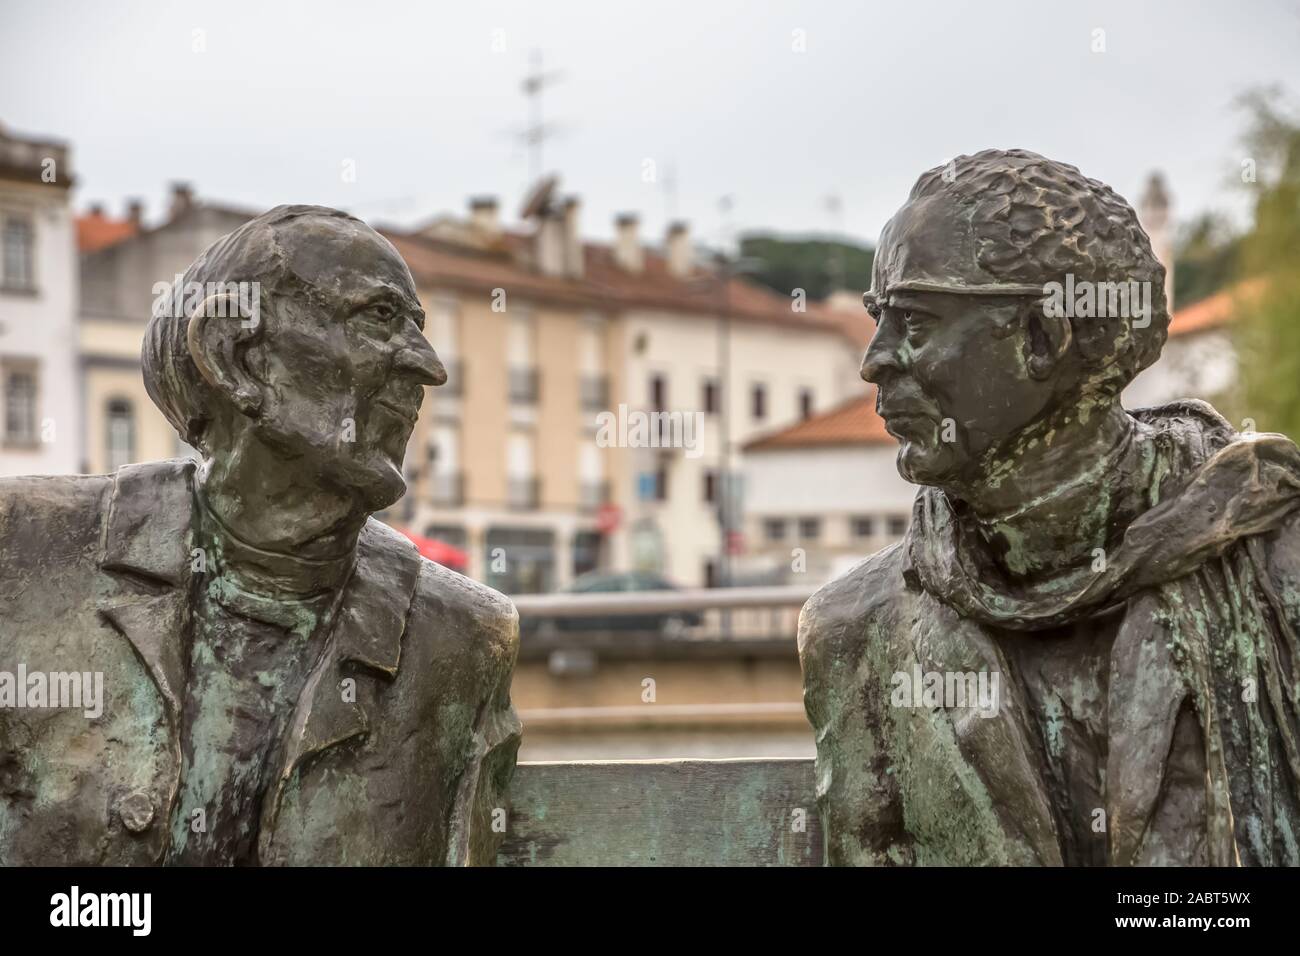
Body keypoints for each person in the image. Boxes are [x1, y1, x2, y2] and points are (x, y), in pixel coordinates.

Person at [799, 150, 1300, 866]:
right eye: (879, 318)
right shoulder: (855, 632)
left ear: (1045, 336)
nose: (874, 359)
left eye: (914, 319)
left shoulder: (1280, 568)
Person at [0, 205, 520, 865]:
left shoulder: (463, 641)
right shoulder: (21, 554)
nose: (427, 366)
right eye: (380, 318)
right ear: (235, 356)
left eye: (418, 328)